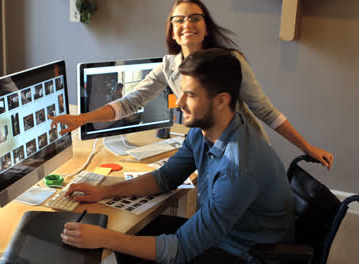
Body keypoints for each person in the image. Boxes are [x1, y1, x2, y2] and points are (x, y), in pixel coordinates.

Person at [61, 49, 294, 263]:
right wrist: (105, 191)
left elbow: (180, 249)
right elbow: (165, 178)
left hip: (245, 253)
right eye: (181, 91)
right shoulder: (205, 130)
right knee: (133, 235)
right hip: (226, 234)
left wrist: (106, 239)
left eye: (190, 95)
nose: (179, 102)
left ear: (222, 100)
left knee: (118, 244)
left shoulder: (239, 168)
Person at [49, 0, 333, 169]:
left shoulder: (229, 61)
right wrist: (82, 119)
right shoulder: (169, 65)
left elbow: (266, 111)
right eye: (179, 19)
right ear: (172, 30)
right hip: (209, 147)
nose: (187, 23)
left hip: (243, 151)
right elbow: (129, 102)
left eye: (195, 18)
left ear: (206, 26)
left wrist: (306, 147)